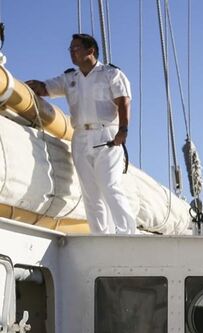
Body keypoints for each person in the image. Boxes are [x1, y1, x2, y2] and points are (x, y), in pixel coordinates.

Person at [26, 34, 136, 234]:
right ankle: (100, 234)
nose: (71, 52)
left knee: (108, 183)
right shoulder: (70, 78)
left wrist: (123, 129)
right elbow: (45, 88)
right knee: (89, 191)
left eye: (75, 48)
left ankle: (127, 232)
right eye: (70, 49)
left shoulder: (111, 74)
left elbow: (123, 101)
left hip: (107, 135)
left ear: (90, 51)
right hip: (80, 137)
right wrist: (30, 86)